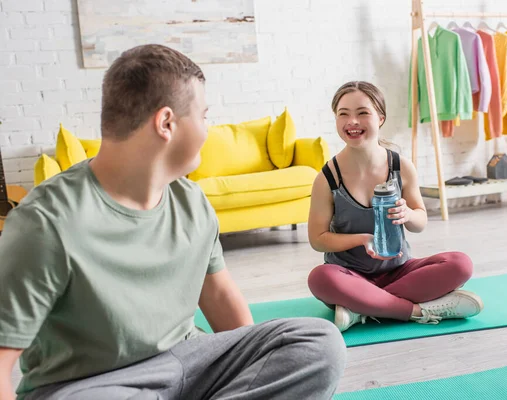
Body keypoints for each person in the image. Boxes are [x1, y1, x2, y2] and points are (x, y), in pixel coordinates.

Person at [0, 44, 346, 400]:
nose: (208, 129)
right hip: (95, 386)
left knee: (318, 343)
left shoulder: (191, 201)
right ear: (166, 123)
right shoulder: (44, 223)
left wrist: (254, 361)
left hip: (188, 363)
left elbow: (220, 296)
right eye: (204, 115)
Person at [307, 81, 484, 332]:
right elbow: (318, 239)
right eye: (343, 114)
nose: (352, 121)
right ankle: (416, 311)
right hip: (350, 277)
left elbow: (420, 222)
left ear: (380, 117)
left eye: (363, 113)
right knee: (320, 278)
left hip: (400, 271)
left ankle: (361, 308)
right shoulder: (327, 178)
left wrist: (408, 214)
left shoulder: (401, 167)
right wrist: (362, 239)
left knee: (460, 263)